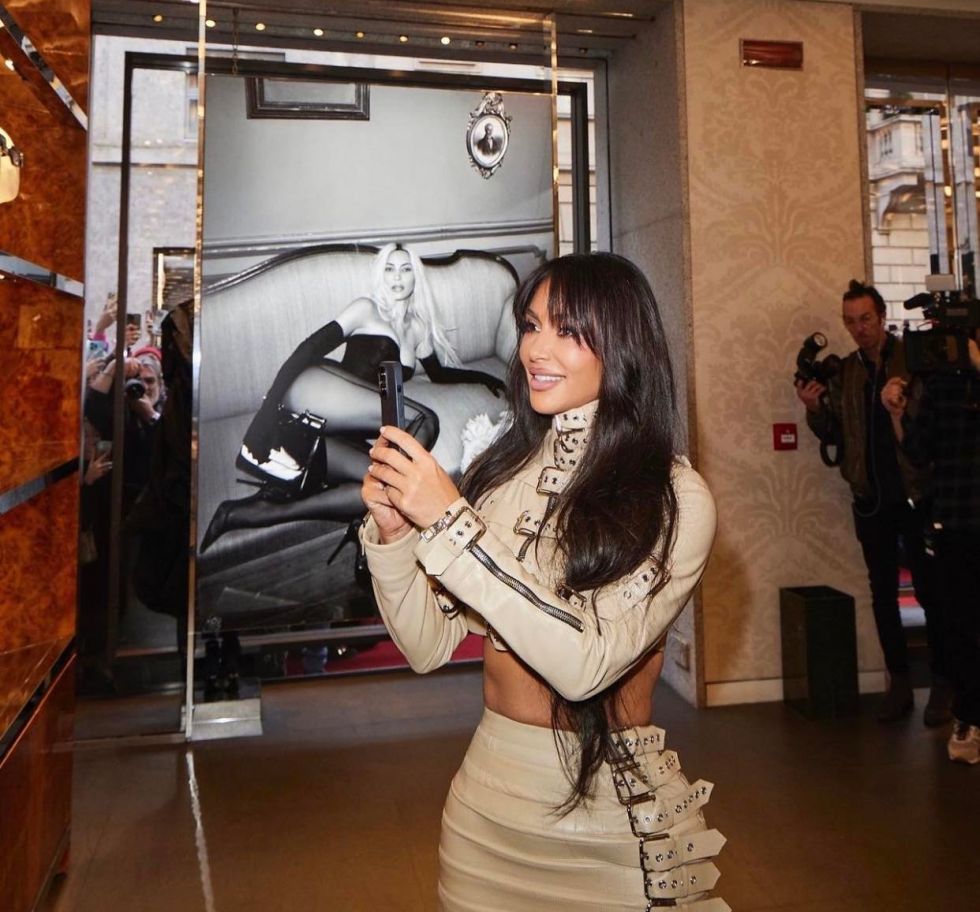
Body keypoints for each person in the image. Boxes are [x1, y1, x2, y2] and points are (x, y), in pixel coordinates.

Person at [360, 253, 725, 912]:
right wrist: (395, 538)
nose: (536, 349)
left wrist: (451, 524)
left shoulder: (674, 498)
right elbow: (427, 646)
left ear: (623, 346)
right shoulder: (501, 473)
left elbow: (585, 666)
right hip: (485, 816)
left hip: (607, 824)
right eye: (531, 326)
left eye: (568, 330)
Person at [200, 243, 505, 553]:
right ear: (381, 275)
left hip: (338, 427)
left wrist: (482, 377)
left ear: (416, 276)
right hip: (318, 391)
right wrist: (268, 408)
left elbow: (439, 373)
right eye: (389, 269)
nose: (397, 277)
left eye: (405, 269)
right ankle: (422, 511)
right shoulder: (366, 309)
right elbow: (309, 347)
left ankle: (247, 513)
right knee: (425, 420)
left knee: (375, 488)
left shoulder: (418, 328)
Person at [796, 279, 949, 725]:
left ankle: (942, 682)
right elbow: (833, 432)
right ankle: (898, 682)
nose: (859, 328)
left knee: (931, 591)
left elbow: (932, 423)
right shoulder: (846, 372)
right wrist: (813, 408)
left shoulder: (912, 361)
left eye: (865, 319)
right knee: (882, 593)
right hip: (870, 498)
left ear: (882, 317)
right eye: (850, 321)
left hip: (917, 494)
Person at [882, 325, 980, 764]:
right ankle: (969, 718)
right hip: (956, 521)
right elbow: (918, 452)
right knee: (960, 626)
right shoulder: (943, 387)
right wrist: (897, 413)